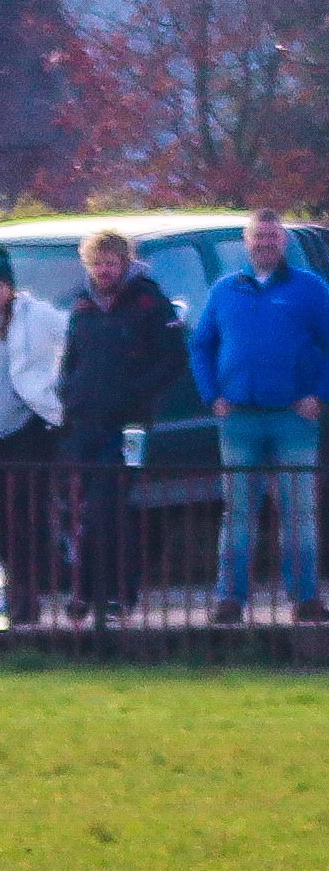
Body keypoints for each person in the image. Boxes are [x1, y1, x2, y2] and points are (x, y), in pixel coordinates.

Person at [191, 209, 329, 626]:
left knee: (298, 512)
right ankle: (229, 600)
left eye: (273, 237)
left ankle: (305, 599)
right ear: (246, 242)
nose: (266, 243)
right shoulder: (225, 289)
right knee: (237, 513)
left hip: (294, 418)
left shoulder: (310, 288)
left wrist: (319, 394)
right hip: (239, 419)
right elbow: (201, 345)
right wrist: (212, 395)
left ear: (283, 242)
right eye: (259, 237)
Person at [58, 229, 188, 624]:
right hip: (85, 422)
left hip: (127, 425)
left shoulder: (149, 301)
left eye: (110, 263)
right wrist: (69, 393)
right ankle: (85, 592)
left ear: (124, 262)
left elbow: (173, 359)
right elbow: (71, 358)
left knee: (111, 508)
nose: (103, 270)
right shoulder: (81, 305)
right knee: (84, 512)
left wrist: (135, 394)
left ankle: (118, 594)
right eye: (97, 263)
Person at [0, 247, 66, 626]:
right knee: (2, 522)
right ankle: (12, 597)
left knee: (28, 518)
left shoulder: (36, 316)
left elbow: (70, 335)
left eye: (0, 284)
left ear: (11, 287)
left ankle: (30, 597)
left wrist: (54, 390)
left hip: (30, 431)